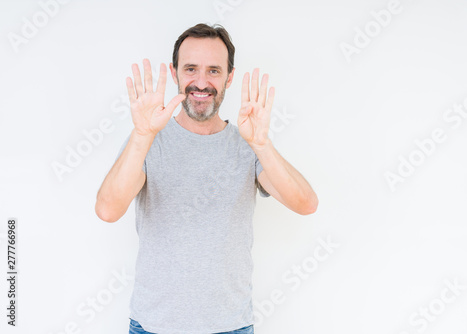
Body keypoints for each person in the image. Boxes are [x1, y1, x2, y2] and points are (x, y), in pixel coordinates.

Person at [95, 23, 318, 334]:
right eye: (190, 69)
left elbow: (305, 204)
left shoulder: (249, 145)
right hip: (154, 327)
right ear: (174, 73)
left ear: (229, 77)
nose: (201, 82)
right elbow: (108, 210)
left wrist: (262, 145)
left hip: (231, 327)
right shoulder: (147, 141)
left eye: (213, 71)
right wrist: (142, 134)